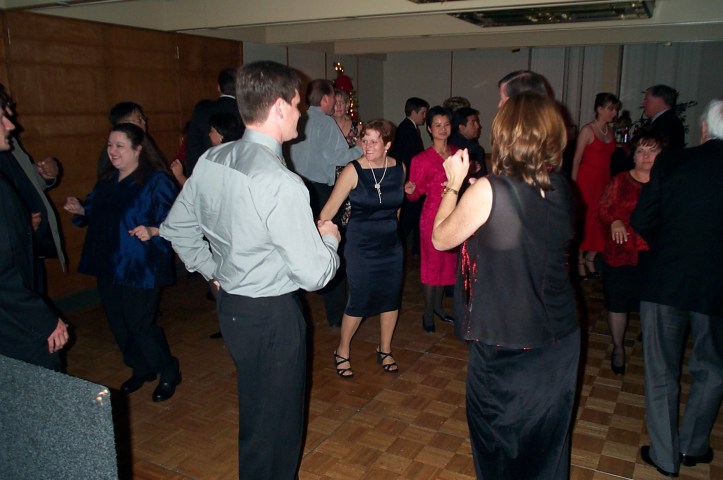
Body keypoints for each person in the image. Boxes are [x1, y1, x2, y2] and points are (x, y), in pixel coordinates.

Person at [159, 61, 341, 479]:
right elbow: (315, 276)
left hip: (232, 308)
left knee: (258, 416)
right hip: (272, 315)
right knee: (279, 427)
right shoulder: (281, 182)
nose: (302, 112)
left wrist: (215, 272)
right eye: (297, 103)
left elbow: (177, 229)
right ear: (279, 107)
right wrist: (329, 239)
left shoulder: (213, 159)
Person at [432, 92, 579, 479]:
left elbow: (441, 238)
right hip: (560, 340)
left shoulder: (491, 190)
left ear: (506, 134)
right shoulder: (562, 187)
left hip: (508, 347)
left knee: (501, 454)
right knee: (547, 451)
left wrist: (453, 185)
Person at [631, 98, 723, 478]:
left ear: (703, 129)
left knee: (661, 371)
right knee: (713, 367)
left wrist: (668, 246)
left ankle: (666, 457)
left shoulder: (672, 162)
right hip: (717, 286)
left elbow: (642, 218)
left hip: (666, 279)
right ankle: (693, 445)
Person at [64, 123, 180, 402]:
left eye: (119, 146)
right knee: (118, 323)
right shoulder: (108, 179)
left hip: (141, 264)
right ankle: (140, 367)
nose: (112, 151)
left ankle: (168, 370)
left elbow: (176, 220)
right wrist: (81, 209)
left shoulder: (157, 180)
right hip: (108, 262)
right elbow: (95, 209)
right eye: (109, 145)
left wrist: (154, 230)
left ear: (138, 149)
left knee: (140, 324)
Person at [319, 119, 404, 378]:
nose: (366, 146)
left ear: (387, 145)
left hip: (390, 245)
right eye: (364, 140)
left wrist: (393, 234)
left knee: (391, 297)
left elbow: (397, 207)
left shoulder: (399, 168)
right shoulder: (353, 170)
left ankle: (385, 349)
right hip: (360, 245)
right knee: (359, 298)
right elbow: (328, 211)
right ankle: (342, 350)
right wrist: (322, 238)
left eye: (373, 141)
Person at [0, 86, 69, 371]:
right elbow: (3, 273)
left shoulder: (11, 149)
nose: (11, 124)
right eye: (2, 116)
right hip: (14, 317)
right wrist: (43, 318)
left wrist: (47, 176)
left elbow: (26, 184)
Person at [289, 78, 362, 327]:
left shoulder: (298, 118)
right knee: (331, 244)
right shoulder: (325, 122)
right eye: (332, 98)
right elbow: (340, 157)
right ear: (326, 99)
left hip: (296, 188)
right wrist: (360, 148)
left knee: (301, 244)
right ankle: (335, 313)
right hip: (320, 191)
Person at [596, 129, 661, 375]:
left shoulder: (666, 182)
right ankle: (618, 348)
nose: (646, 156)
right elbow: (603, 208)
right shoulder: (620, 181)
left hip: (654, 254)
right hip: (621, 252)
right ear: (633, 155)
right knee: (617, 302)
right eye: (641, 151)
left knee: (652, 303)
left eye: (652, 151)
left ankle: (652, 347)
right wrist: (614, 220)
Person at [405, 106, 459, 333]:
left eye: (446, 124)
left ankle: (438, 306)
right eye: (437, 125)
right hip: (432, 217)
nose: (442, 129)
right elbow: (415, 194)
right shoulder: (421, 159)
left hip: (454, 216)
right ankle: (428, 313)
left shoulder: (458, 154)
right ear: (429, 128)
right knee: (431, 265)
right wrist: (410, 191)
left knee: (447, 264)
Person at [571, 93, 620, 279]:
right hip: (586, 181)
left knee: (601, 220)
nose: (614, 113)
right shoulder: (588, 130)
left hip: (604, 181)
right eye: (610, 109)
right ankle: (579, 260)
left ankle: (591, 257)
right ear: (599, 109)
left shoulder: (610, 131)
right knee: (586, 220)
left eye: (615, 109)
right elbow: (576, 160)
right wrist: (573, 186)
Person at [185, 68, 244, 177]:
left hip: (206, 172)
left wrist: (192, 176)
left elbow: (192, 147)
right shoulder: (246, 112)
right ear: (240, 89)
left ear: (218, 87)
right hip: (238, 174)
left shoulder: (202, 110)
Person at [389, 97, 429, 258]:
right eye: (423, 113)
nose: (425, 116)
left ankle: (413, 249)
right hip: (409, 179)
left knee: (411, 216)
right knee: (409, 217)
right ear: (414, 112)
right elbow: (408, 157)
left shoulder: (408, 128)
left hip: (410, 179)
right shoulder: (407, 129)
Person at [170, 112, 244, 187]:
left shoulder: (213, 158)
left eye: (211, 131)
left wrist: (179, 176)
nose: (209, 134)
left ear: (221, 135)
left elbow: (197, 190)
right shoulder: (239, 153)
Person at [96, 102, 149, 179]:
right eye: (139, 119)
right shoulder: (111, 155)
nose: (144, 122)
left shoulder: (146, 144)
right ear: (125, 124)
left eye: (143, 118)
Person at [643, 84, 685, 151]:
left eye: (646, 100)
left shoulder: (666, 123)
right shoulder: (669, 120)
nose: (643, 103)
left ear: (659, 100)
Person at [448, 106, 487, 177]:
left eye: (477, 122)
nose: (478, 126)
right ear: (461, 127)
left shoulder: (473, 144)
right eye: (473, 123)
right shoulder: (454, 147)